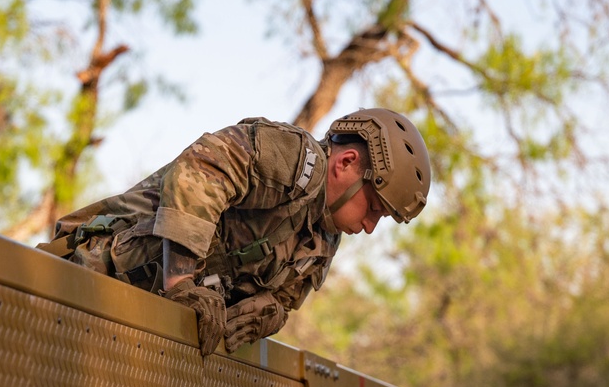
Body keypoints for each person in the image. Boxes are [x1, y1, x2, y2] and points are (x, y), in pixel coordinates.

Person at [37, 108, 431, 355]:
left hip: (136, 336)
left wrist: (267, 314)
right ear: (345, 163)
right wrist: (181, 282)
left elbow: (282, 299)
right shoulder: (294, 160)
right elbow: (202, 170)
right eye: (374, 209)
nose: (369, 226)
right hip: (76, 285)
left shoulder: (321, 241)